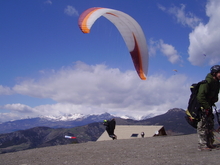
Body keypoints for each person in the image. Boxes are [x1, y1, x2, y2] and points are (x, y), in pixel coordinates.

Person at [197, 65, 220, 151]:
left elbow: (215, 94)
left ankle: (209, 143)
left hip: (208, 105)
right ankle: (202, 145)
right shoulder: (206, 83)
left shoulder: (216, 83)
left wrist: (214, 100)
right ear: (214, 73)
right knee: (203, 125)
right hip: (202, 106)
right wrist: (206, 107)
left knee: (210, 124)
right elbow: (200, 96)